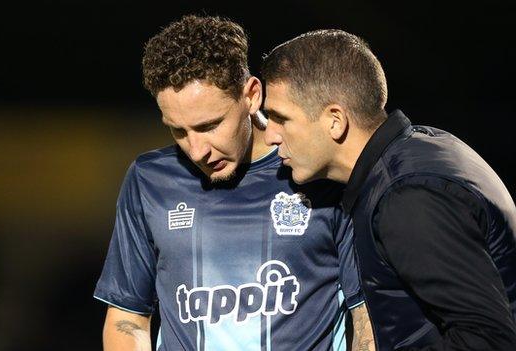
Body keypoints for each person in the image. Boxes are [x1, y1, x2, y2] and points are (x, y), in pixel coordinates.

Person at [94, 16, 374, 350]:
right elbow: (128, 319)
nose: (196, 150)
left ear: (252, 95)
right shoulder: (150, 180)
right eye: (178, 130)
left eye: (210, 125)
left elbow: (365, 318)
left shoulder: (319, 173)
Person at [262, 29, 516, 350]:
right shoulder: (418, 150)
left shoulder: (407, 195)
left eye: (280, 118)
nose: (270, 135)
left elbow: (487, 340)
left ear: (335, 120)